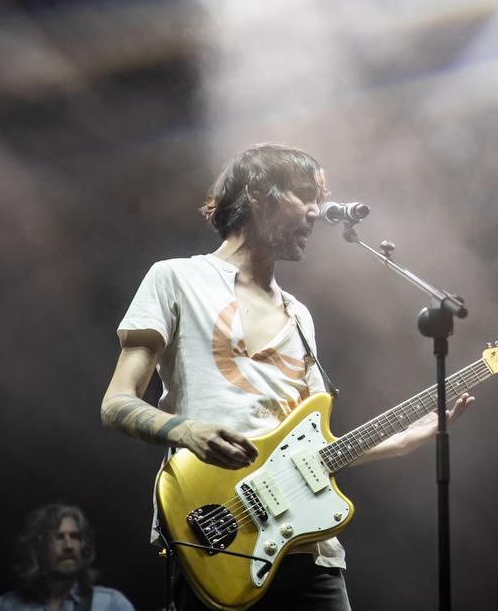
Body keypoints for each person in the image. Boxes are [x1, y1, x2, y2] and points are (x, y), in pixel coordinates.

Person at [100, 143, 471, 610]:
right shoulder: (176, 279)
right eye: (304, 196)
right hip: (215, 532)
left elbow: (312, 447)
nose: (316, 212)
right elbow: (116, 404)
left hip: (308, 550)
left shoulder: (299, 316)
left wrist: (401, 442)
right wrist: (187, 431)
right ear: (258, 193)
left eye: (319, 199)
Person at [0, 503, 135, 611]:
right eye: (58, 537)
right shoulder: (5, 606)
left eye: (75, 536)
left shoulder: (111, 604)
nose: (68, 546)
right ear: (38, 547)